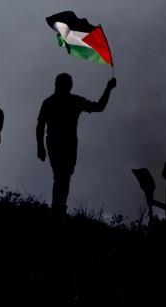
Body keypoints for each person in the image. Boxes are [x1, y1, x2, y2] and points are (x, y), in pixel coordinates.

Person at [36, 73, 116, 214]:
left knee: (63, 178)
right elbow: (40, 125)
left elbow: (98, 107)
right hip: (59, 144)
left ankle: (58, 208)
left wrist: (108, 89)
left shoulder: (59, 101)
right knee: (62, 177)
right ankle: (58, 209)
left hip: (67, 145)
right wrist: (40, 147)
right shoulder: (59, 102)